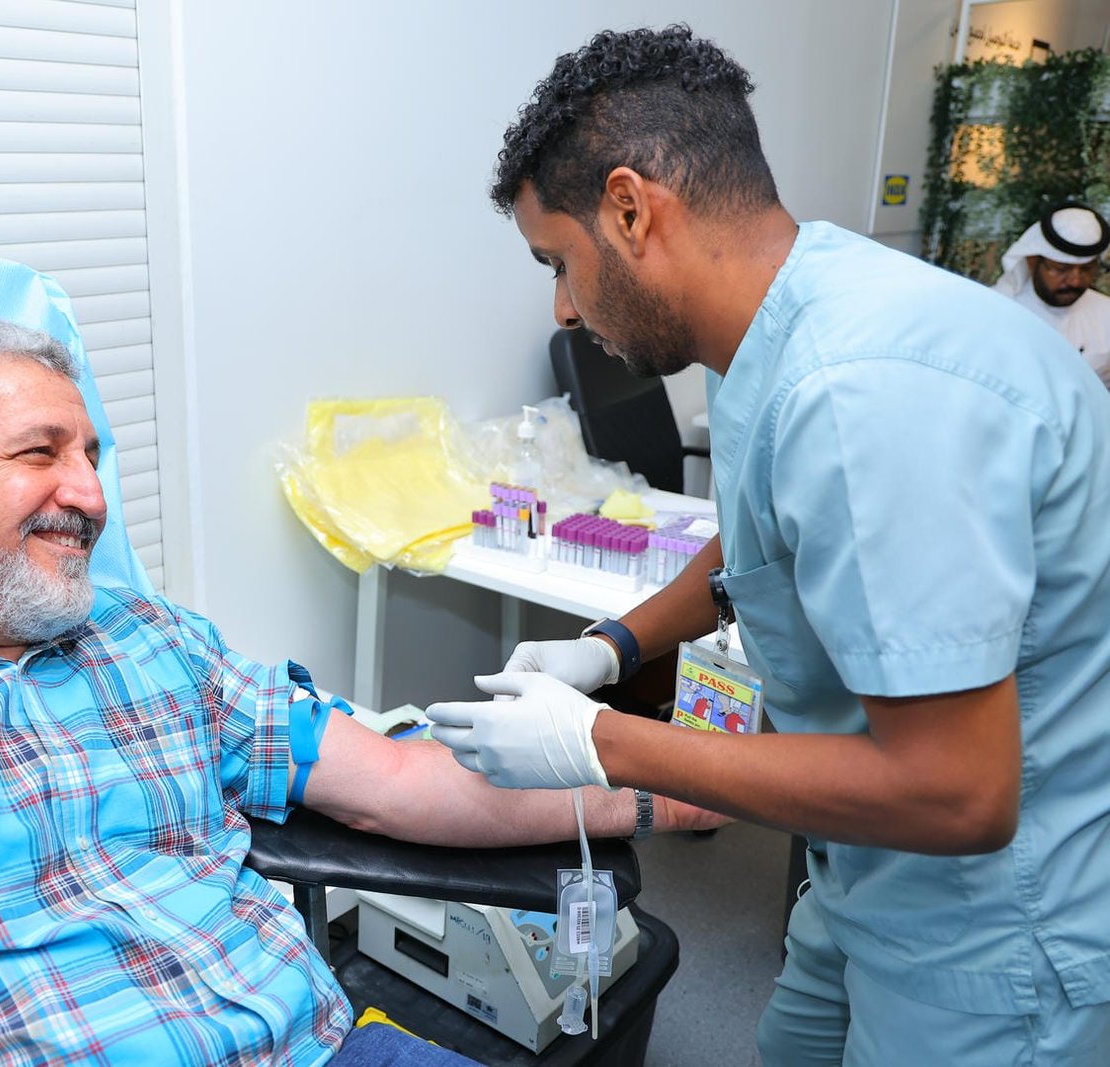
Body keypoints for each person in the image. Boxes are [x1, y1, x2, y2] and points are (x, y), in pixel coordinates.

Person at [0, 314, 718, 1067]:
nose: (90, 495)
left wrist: (656, 790)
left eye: (92, 454)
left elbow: (393, 780)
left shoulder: (148, 641)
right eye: (40, 453)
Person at [426, 25, 1110, 1064]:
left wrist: (599, 741)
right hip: (862, 869)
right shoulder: (771, 322)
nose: (562, 306)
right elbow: (756, 542)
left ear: (630, 209)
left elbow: (958, 793)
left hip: (992, 921)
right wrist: (610, 646)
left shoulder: (863, 393)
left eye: (558, 261)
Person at [992, 202, 1110, 387]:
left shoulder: (1106, 312)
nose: (1075, 281)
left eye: (1086, 269)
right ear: (1032, 262)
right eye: (1062, 269)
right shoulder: (997, 311)